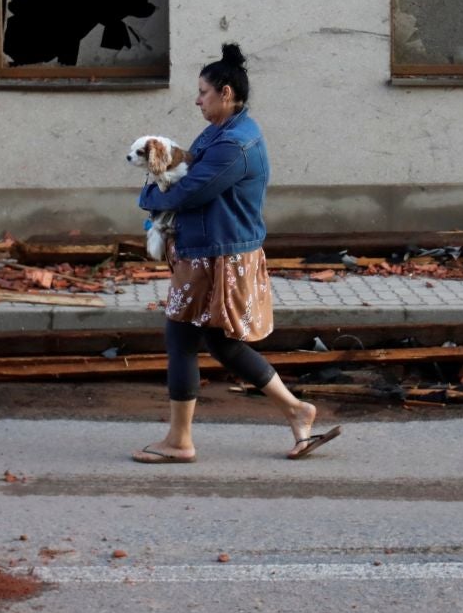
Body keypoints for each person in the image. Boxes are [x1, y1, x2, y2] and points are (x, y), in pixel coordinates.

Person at [131, 43, 340, 463]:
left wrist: (148, 196)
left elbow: (188, 191)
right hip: (212, 251)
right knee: (220, 342)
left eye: (203, 92)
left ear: (225, 93)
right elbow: (183, 171)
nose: (197, 100)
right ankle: (296, 410)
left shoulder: (234, 144)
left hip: (218, 258)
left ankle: (180, 441)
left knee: (181, 338)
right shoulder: (221, 132)